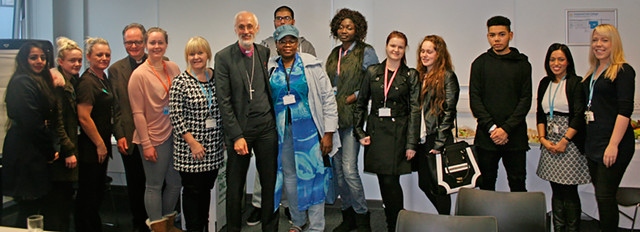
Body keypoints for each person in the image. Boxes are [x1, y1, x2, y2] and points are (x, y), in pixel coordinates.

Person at [268, 25, 339, 232]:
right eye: (283, 41)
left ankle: (316, 226)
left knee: (315, 176)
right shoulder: (271, 68)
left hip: (310, 132)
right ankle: (297, 221)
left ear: (297, 42)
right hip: (284, 133)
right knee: (290, 178)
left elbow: (328, 99)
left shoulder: (312, 66)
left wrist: (328, 133)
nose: (287, 44)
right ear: (277, 45)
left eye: (291, 40)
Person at [250, 6, 317, 224]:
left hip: (301, 121)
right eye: (279, 18)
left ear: (294, 21)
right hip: (274, 119)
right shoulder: (263, 46)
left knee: (296, 168)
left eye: (286, 18)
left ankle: (291, 208)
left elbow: (310, 83)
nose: (282, 21)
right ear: (274, 22)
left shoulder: (306, 45)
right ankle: (260, 205)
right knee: (269, 166)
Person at [214, 11, 279, 232]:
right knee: (235, 185)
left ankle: (270, 227)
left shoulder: (264, 52)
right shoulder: (223, 57)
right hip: (240, 131)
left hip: (266, 128)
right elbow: (224, 101)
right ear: (235, 30)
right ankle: (233, 228)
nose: (246, 31)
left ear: (257, 29)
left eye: (250, 26)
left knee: (270, 182)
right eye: (241, 27)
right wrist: (236, 135)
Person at [354, 31, 420, 232]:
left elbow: (415, 111)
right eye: (393, 45)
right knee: (385, 180)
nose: (396, 50)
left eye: (400, 47)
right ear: (386, 46)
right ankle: (393, 220)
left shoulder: (410, 75)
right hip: (376, 133)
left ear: (404, 50)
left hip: (399, 135)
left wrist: (411, 143)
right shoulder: (373, 72)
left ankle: (395, 223)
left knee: (391, 180)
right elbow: (361, 103)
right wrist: (359, 132)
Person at [326, 8, 378, 232]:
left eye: (349, 27)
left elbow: (374, 81)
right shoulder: (334, 53)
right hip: (333, 120)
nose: (344, 30)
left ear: (358, 29)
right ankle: (347, 216)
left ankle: (362, 217)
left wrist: (355, 96)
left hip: (352, 119)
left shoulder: (366, 51)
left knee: (349, 169)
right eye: (341, 26)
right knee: (338, 173)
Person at [469, 15, 532, 192]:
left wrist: (506, 129)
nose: (497, 39)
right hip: (487, 137)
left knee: (518, 183)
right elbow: (476, 100)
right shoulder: (480, 63)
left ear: (510, 35)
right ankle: (488, 220)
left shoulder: (522, 64)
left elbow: (525, 100)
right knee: (486, 185)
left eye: (501, 34)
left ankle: (519, 221)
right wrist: (492, 128)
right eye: (492, 35)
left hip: (515, 136)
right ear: (488, 36)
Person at [128, 27, 182, 232]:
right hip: (153, 137)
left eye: (160, 42)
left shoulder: (174, 68)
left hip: (174, 135)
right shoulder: (138, 75)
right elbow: (137, 113)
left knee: (175, 183)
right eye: (152, 43)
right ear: (145, 45)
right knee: (154, 185)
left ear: (166, 44)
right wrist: (147, 144)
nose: (156, 46)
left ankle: (167, 224)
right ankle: (157, 227)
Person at [583, 24, 635, 232]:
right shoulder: (593, 72)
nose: (598, 45)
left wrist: (613, 145)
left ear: (614, 43)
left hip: (613, 144)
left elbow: (625, 111)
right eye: (595, 40)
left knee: (605, 197)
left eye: (604, 40)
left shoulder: (623, 70)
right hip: (594, 143)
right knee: (602, 196)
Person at [2, 41, 60, 229]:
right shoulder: (22, 82)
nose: (39, 61)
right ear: (24, 59)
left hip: (34, 150)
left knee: (36, 206)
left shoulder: (38, 81)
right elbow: (32, 124)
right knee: (28, 208)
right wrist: (50, 151)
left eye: (43, 57)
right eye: (33, 57)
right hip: (24, 152)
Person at [169, 36, 224, 232]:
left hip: (213, 148)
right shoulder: (180, 82)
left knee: (206, 191)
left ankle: (202, 226)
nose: (196, 57)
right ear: (187, 57)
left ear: (207, 54)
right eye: (192, 54)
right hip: (190, 151)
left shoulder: (217, 77)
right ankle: (193, 228)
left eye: (200, 52)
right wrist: (192, 142)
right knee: (193, 192)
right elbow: (176, 116)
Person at [535, 43, 590, 232]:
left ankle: (572, 228)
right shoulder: (545, 83)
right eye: (552, 59)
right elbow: (540, 114)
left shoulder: (576, 82)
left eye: (560, 59)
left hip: (569, 142)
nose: (556, 63)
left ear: (568, 62)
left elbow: (578, 115)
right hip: (549, 140)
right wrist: (542, 139)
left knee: (569, 190)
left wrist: (564, 141)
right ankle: (558, 228)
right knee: (556, 189)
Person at [108, 22, 150, 232]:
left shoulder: (161, 62)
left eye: (137, 41)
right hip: (129, 136)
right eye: (128, 42)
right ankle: (138, 224)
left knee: (156, 183)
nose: (133, 46)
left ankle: (158, 222)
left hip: (155, 136)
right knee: (135, 183)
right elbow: (115, 105)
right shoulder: (115, 69)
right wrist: (119, 135)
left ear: (145, 42)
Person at [41, 36, 82, 232]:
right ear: (60, 62)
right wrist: (68, 150)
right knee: (59, 203)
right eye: (72, 60)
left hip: (68, 148)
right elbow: (57, 123)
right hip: (62, 153)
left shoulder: (72, 82)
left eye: (79, 60)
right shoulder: (58, 85)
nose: (77, 64)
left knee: (66, 201)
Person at [415, 35, 458, 215]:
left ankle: (445, 221)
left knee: (440, 185)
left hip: (438, 139)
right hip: (423, 139)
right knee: (424, 183)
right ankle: (444, 218)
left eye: (429, 51)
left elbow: (449, 111)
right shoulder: (419, 76)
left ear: (438, 54)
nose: (425, 55)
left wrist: (440, 143)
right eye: (422, 51)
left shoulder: (447, 76)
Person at [75, 37, 113, 231]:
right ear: (88, 56)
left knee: (97, 191)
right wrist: (99, 144)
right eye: (99, 54)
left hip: (101, 144)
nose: (104, 58)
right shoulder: (88, 82)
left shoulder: (102, 78)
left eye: (107, 54)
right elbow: (84, 117)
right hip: (91, 147)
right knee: (88, 193)